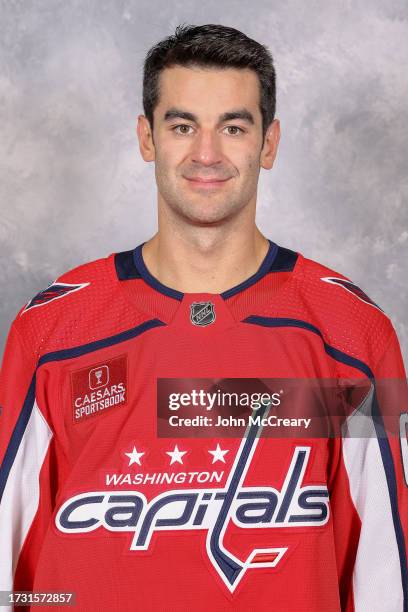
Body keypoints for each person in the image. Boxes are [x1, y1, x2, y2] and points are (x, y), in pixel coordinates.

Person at [0, 23, 406, 612]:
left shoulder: (353, 333)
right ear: (148, 138)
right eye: (183, 126)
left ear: (269, 144)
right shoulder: (54, 329)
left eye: (234, 128)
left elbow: (383, 570)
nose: (207, 154)